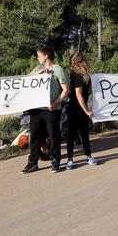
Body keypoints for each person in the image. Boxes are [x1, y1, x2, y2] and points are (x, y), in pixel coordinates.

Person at [22, 45, 69, 174]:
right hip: (37, 109)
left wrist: (55, 103)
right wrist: (38, 74)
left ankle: (55, 160)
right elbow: (24, 81)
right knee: (35, 136)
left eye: (39, 55)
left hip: (52, 109)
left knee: (54, 135)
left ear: (46, 56)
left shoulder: (59, 70)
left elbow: (66, 90)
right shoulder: (38, 68)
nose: (37, 58)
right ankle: (32, 163)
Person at [65, 52, 98, 170]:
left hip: (79, 108)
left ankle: (88, 156)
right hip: (75, 108)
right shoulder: (77, 74)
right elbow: (78, 95)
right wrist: (86, 110)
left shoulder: (84, 74)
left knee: (84, 133)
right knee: (72, 134)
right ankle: (70, 159)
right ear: (82, 60)